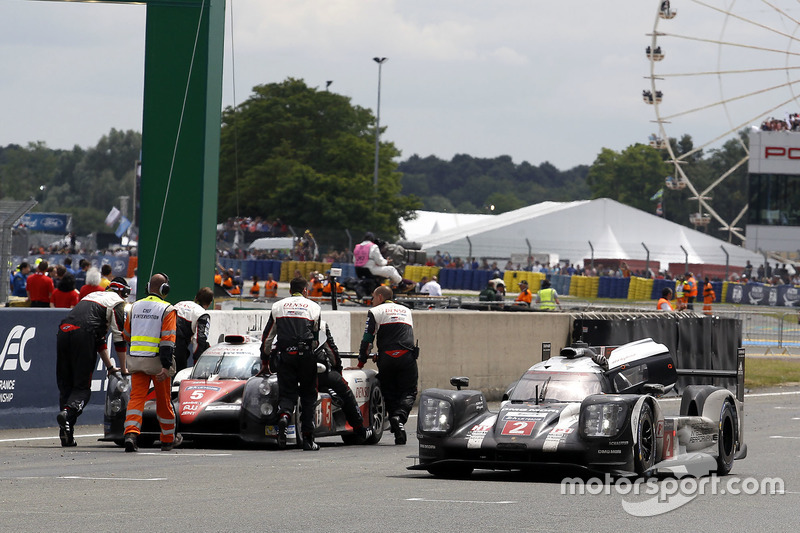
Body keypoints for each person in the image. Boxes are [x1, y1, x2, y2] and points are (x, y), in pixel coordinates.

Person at [56, 277, 130, 447]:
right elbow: (119, 339)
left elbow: (100, 340)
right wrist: (124, 369)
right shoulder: (118, 302)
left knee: (66, 386)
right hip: (83, 334)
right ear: (122, 293)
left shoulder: (92, 296)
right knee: (82, 389)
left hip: (63, 331)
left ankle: (66, 432)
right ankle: (68, 413)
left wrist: (110, 367)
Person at [259, 277, 322, 451]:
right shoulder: (314, 307)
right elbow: (316, 338)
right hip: (306, 355)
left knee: (287, 394)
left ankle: (284, 417)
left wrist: (265, 362)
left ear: (290, 291)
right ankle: (308, 439)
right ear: (305, 291)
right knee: (309, 396)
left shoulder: (278, 306)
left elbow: (267, 338)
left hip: (285, 355)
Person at [122, 273, 181, 453]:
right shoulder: (167, 309)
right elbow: (167, 341)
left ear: (148, 287)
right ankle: (167, 439)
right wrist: (165, 366)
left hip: (137, 361)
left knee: (136, 398)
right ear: (165, 289)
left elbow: (126, 335)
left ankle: (131, 434)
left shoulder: (134, 307)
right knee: (163, 401)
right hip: (157, 364)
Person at [357, 286, 418, 445]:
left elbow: (367, 340)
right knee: (409, 390)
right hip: (407, 356)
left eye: (373, 297)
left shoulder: (375, 311)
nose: (372, 300)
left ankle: (395, 420)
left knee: (389, 392)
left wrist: (360, 362)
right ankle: (400, 417)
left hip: (387, 357)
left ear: (380, 297)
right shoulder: (406, 310)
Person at [316, 319, 372, 441]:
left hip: (291, 372)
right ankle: (358, 428)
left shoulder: (283, 321)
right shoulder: (320, 323)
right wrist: (338, 370)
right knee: (345, 389)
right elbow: (332, 351)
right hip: (318, 371)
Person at [173, 287, 214, 372]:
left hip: (163, 343)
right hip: (178, 345)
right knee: (178, 376)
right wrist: (196, 363)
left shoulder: (179, 304)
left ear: (195, 298)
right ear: (210, 303)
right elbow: (200, 339)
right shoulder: (203, 314)